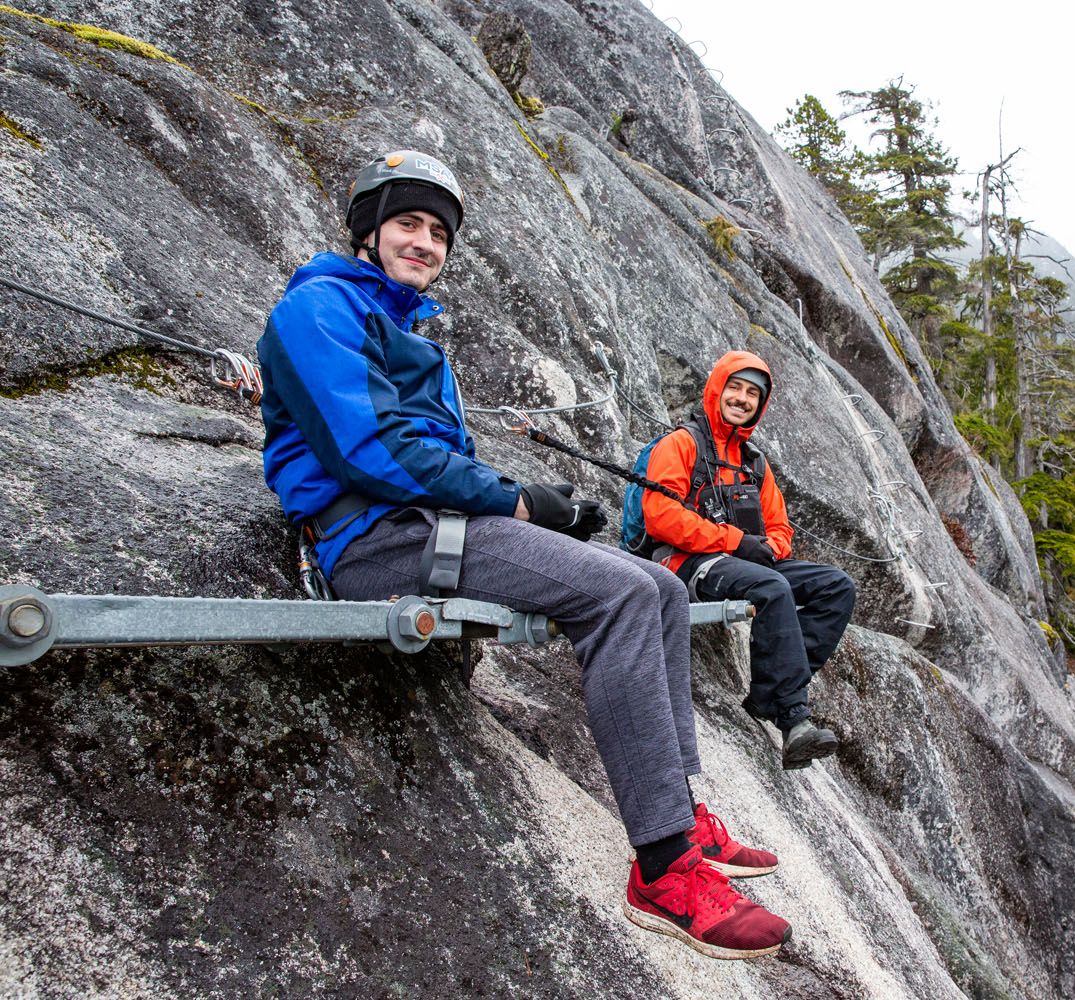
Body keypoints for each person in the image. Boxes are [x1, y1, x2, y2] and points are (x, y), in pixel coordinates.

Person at [256, 150, 788, 959]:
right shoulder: (320, 309)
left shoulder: (397, 326)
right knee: (619, 595)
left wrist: (528, 500)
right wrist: (514, 501)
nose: (425, 243)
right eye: (408, 223)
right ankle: (664, 866)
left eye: (439, 232)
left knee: (662, 590)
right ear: (368, 229)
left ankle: (682, 810)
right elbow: (371, 452)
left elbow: (427, 455)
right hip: (376, 539)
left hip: (428, 526)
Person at [643, 351, 857, 769]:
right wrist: (737, 541)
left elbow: (782, 529)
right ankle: (794, 717)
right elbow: (662, 516)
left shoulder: (754, 462)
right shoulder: (681, 445)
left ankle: (766, 694)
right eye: (735, 388)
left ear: (760, 404)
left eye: (752, 394)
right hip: (686, 562)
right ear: (717, 389)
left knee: (837, 587)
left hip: (746, 562)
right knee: (773, 589)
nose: (742, 399)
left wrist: (769, 549)